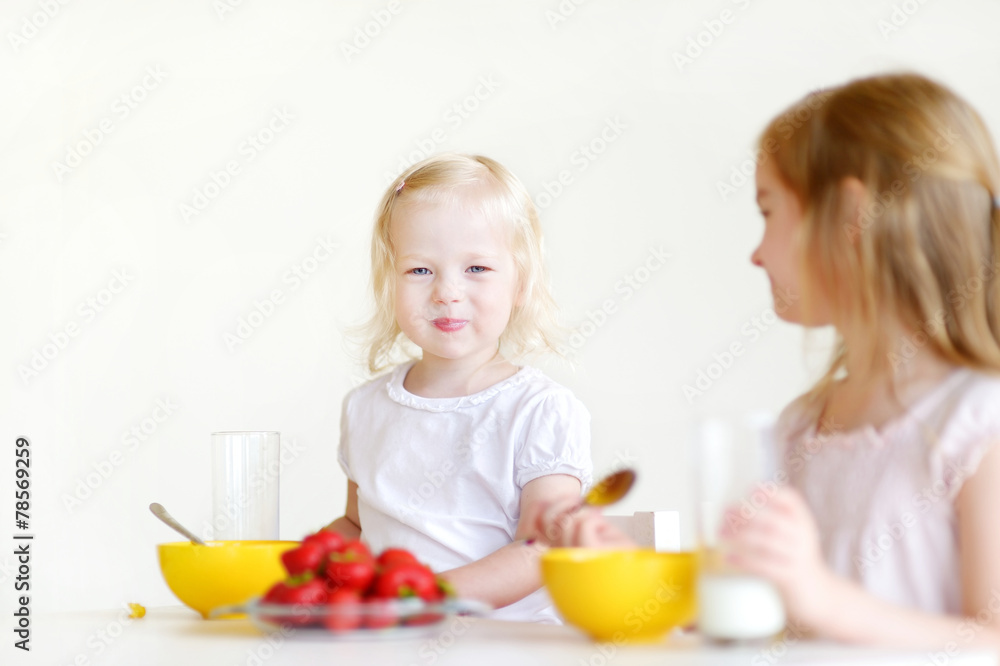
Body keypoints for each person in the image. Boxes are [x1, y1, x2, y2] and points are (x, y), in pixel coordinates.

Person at [536, 73, 1000, 648]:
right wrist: (630, 569)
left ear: (850, 218)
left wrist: (821, 596)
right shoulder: (804, 425)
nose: (755, 254)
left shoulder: (979, 424)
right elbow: (753, 607)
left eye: (768, 210)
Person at [325, 153, 592, 623]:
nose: (447, 291)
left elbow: (543, 548)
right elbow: (355, 525)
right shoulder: (365, 407)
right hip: (394, 643)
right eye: (420, 270)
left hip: (508, 648)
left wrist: (423, 597)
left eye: (477, 269)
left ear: (521, 283)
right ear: (389, 283)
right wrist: (304, 570)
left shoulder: (539, 411)